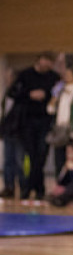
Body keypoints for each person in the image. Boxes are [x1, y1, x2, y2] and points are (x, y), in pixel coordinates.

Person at [8, 52, 60, 200]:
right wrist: (29, 94)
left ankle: (33, 188)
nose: (48, 65)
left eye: (51, 62)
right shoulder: (25, 74)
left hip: (45, 121)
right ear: (39, 60)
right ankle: (34, 188)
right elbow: (12, 93)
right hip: (27, 121)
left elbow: (57, 95)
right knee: (31, 155)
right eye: (47, 61)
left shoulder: (54, 77)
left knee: (41, 155)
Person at [0, 67, 26, 198]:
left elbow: (19, 115)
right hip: (8, 132)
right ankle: (8, 187)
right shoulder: (7, 93)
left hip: (19, 133)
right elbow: (5, 115)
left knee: (19, 162)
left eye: (9, 77)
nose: (6, 79)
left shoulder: (20, 94)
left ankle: (23, 188)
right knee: (8, 161)